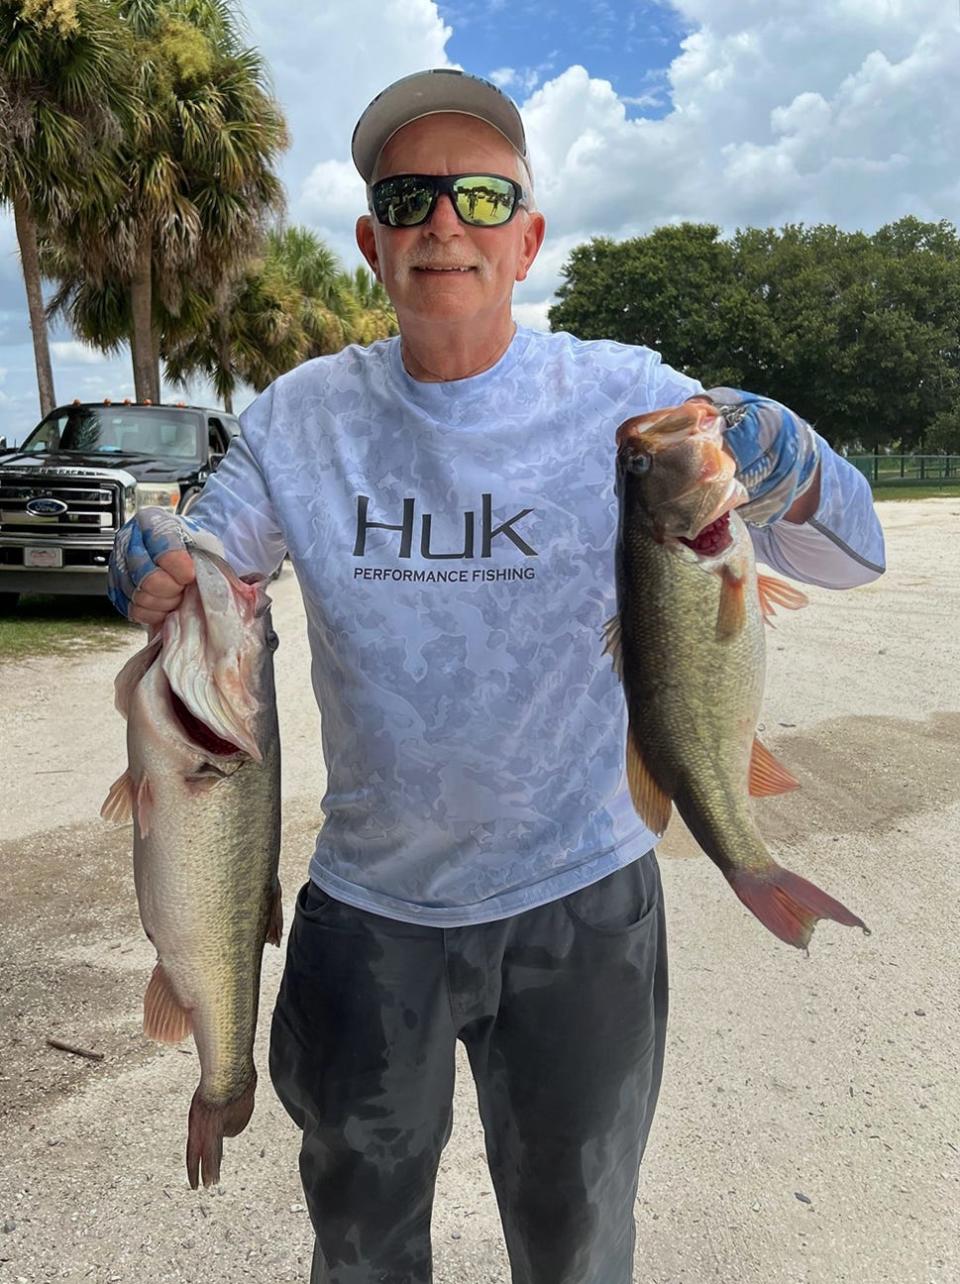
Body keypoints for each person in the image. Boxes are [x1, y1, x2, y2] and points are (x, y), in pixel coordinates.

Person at [108, 69, 885, 1284]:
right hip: (369, 914)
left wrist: (794, 457)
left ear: (528, 238)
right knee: (360, 1244)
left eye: (481, 193)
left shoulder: (631, 400)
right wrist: (155, 558)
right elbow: (207, 570)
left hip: (583, 900)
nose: (443, 222)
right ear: (371, 241)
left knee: (578, 1244)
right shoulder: (299, 419)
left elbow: (853, 555)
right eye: (409, 195)